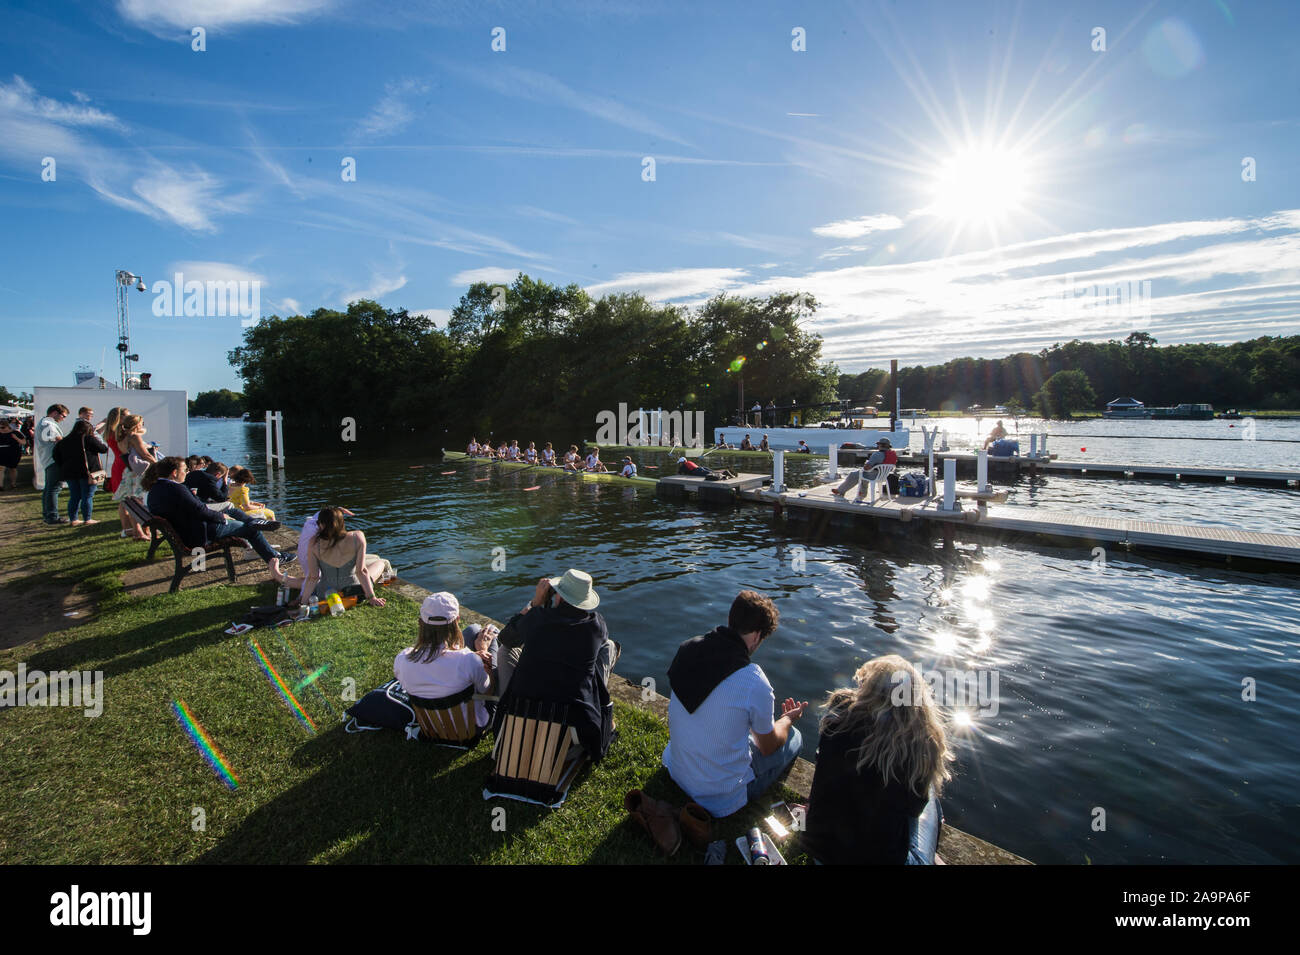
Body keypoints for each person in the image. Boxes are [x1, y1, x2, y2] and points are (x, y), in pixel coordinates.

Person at [662, 590, 808, 817]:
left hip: (676, 768)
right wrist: (787, 719)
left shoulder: (687, 649)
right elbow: (767, 747)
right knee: (794, 737)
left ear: (731, 620)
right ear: (758, 636)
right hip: (721, 798)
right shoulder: (753, 680)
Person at [801, 656, 953, 865]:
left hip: (822, 854)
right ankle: (927, 856)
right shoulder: (921, 747)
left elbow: (822, 784)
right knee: (931, 796)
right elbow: (914, 810)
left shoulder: (837, 725)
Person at [494, 571, 619, 762]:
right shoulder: (596, 626)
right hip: (570, 736)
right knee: (608, 647)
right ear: (585, 601)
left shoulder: (536, 618)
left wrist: (536, 602)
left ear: (558, 595)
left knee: (505, 650)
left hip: (520, 723)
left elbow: (506, 639)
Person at [145, 456, 293, 573]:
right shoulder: (177, 489)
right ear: (174, 473)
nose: (187, 472)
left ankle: (253, 522)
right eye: (184, 469)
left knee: (230, 510)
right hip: (199, 532)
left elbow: (195, 508)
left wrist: (217, 511)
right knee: (250, 530)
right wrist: (221, 517)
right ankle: (275, 557)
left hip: (186, 529)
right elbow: (200, 510)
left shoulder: (156, 490)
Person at [393, 592, 497, 732]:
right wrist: (483, 653)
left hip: (430, 727)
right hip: (470, 728)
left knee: (474, 629)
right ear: (457, 621)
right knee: (492, 633)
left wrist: (467, 655)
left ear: (420, 623)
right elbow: (488, 691)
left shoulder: (402, 659)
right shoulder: (469, 661)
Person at [274, 505, 386, 608]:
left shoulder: (314, 543)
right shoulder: (357, 537)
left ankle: (279, 577)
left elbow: (313, 577)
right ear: (342, 522)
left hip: (325, 593)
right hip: (354, 591)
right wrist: (372, 597)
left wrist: (303, 602)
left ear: (321, 525)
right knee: (381, 562)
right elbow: (361, 572)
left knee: (372, 559)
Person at [52, 419, 109, 525]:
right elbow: (103, 449)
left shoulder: (64, 440)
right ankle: (87, 519)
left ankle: (73, 519)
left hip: (69, 472)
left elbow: (55, 455)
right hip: (87, 472)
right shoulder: (88, 438)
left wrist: (64, 464)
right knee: (87, 496)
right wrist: (96, 436)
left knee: (74, 496)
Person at [111, 413, 157, 540]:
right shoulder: (135, 436)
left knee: (132, 503)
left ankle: (137, 532)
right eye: (141, 423)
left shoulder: (121, 438)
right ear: (137, 424)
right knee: (141, 501)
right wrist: (158, 465)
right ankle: (143, 532)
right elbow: (145, 455)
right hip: (140, 473)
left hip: (129, 472)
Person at [35, 403, 70, 523]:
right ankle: (52, 516)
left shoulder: (45, 423)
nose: (63, 419)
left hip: (49, 459)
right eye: (63, 416)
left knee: (50, 488)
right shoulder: (48, 423)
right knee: (54, 488)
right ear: (55, 413)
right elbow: (58, 439)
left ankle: (48, 515)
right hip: (53, 460)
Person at [830, 438, 898, 499]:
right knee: (862, 474)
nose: (878, 446)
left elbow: (866, 468)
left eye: (878, 444)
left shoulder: (877, 454)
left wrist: (866, 464)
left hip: (874, 475)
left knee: (853, 475)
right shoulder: (893, 454)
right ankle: (862, 494)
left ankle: (840, 491)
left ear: (881, 445)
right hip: (884, 476)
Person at [0, 418, 24, 490]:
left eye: (2, 427)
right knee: (1, 468)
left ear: (8, 426)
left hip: (13, 452)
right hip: (1, 452)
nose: (1, 429)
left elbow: (24, 442)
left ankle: (13, 484)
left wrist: (16, 438)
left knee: (12, 468)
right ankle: (0, 486)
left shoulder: (15, 433)